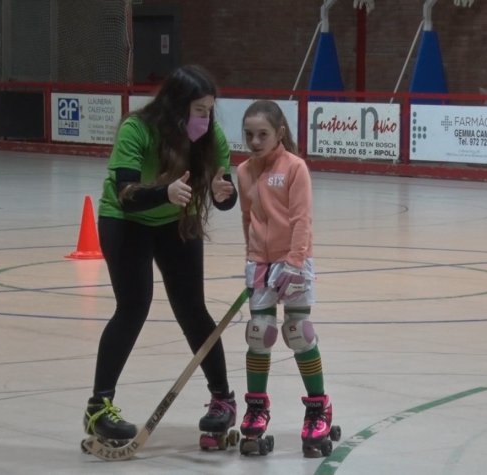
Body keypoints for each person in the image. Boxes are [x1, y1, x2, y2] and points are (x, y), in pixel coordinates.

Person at [83, 65, 239, 447]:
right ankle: (98, 408)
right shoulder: (136, 129)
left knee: (192, 309)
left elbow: (225, 193)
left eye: (209, 110)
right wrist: (164, 192)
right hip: (125, 219)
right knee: (133, 307)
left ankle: (223, 399)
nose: (207, 118)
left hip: (175, 221)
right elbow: (126, 193)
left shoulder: (210, 137)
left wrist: (225, 195)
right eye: (200, 110)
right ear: (176, 107)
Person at [235, 100, 338, 458]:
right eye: (248, 135)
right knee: (258, 333)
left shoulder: (295, 168)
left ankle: (317, 407)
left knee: (298, 331)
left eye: (262, 134)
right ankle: (257, 407)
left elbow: (301, 219)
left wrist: (294, 263)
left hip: (294, 261)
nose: (254, 141)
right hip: (261, 263)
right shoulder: (244, 171)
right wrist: (252, 261)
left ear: (279, 133)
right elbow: (248, 219)